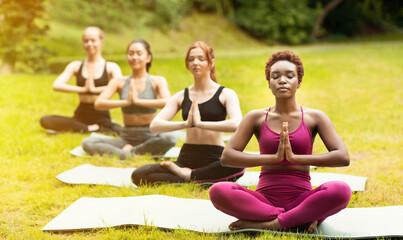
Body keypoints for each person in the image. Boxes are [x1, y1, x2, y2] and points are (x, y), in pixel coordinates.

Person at [209, 50, 351, 233]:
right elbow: (227, 157)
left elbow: (342, 156)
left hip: (303, 198)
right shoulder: (256, 117)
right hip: (264, 200)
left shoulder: (315, 117)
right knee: (218, 190)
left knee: (341, 190)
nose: (282, 80)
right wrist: (274, 158)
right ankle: (300, 218)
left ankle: (273, 224)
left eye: (289, 76)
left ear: (298, 82)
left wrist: (294, 158)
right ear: (269, 83)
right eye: (275, 76)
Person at [131, 41, 245, 185]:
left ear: (211, 62)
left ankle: (190, 176)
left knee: (238, 165)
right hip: (186, 158)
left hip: (215, 157)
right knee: (139, 174)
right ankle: (196, 177)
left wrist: (200, 124)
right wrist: (186, 124)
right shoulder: (181, 96)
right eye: (191, 59)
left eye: (201, 59)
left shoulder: (226, 94)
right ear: (187, 64)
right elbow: (155, 126)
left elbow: (237, 124)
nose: (195, 63)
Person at [81, 39, 177, 160]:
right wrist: (126, 102)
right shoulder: (118, 82)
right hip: (127, 137)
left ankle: (132, 152)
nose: (134, 57)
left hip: (152, 135)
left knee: (170, 138)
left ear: (148, 58)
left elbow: (168, 102)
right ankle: (133, 153)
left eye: (139, 53)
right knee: (88, 142)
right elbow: (99, 103)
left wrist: (138, 101)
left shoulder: (157, 81)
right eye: (131, 53)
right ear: (127, 57)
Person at [40, 26, 122, 134]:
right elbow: (56, 85)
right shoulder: (76, 66)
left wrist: (94, 90)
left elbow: (121, 86)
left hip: (101, 115)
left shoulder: (111, 67)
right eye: (86, 41)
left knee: (124, 131)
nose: (89, 44)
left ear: (101, 41)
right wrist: (83, 89)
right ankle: (90, 128)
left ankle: (88, 128)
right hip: (81, 115)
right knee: (45, 120)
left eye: (93, 40)